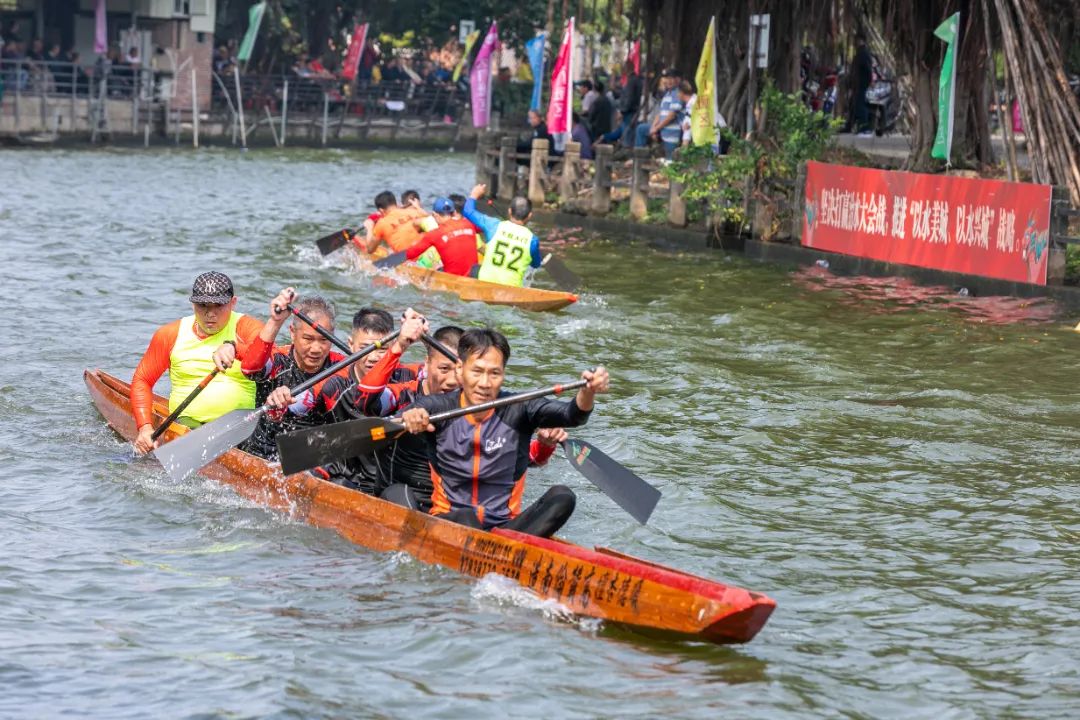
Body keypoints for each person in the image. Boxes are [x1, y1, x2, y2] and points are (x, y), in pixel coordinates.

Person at [400, 329, 609, 537]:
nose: (485, 383)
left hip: (505, 529)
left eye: (494, 373)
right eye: (477, 371)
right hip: (450, 520)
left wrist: (587, 391)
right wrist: (409, 418)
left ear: (503, 374)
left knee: (563, 496)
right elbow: (386, 427)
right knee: (467, 518)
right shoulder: (437, 407)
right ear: (460, 370)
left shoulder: (520, 408)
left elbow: (573, 415)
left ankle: (512, 546)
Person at [130, 272, 284, 454]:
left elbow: (272, 361)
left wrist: (235, 348)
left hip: (241, 425)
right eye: (202, 305)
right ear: (192, 304)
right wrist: (145, 427)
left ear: (233, 302)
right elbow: (142, 380)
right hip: (187, 424)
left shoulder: (248, 328)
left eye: (219, 305)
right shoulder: (169, 334)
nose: (210, 313)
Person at [238, 295, 346, 460]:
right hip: (263, 454)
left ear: (332, 336)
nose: (316, 349)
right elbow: (250, 369)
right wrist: (275, 321)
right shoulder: (278, 359)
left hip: (315, 458)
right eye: (308, 339)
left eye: (324, 340)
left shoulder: (343, 365)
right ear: (293, 333)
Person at [462, 184, 542, 287]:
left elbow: (468, 211)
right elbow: (536, 264)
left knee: (474, 268)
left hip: (485, 283)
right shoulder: (533, 241)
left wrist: (474, 195)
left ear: (509, 211)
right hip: (511, 289)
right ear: (529, 215)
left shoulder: (493, 225)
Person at [401, 197, 480, 276]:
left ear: (434, 215)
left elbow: (410, 253)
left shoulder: (434, 231)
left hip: (449, 278)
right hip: (473, 276)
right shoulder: (469, 224)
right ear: (454, 213)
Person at [851, 34, 873, 136]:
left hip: (862, 83)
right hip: (858, 83)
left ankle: (865, 128)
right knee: (858, 105)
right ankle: (860, 127)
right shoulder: (860, 53)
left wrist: (868, 81)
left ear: (861, 41)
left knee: (861, 105)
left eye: (857, 40)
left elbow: (868, 70)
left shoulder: (863, 54)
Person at [678, 80, 696, 147]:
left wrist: (684, 148)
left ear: (681, 93)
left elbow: (688, 127)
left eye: (678, 92)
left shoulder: (694, 102)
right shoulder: (690, 104)